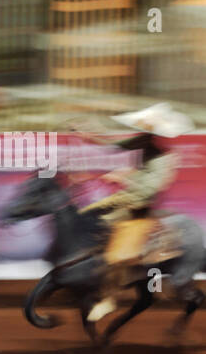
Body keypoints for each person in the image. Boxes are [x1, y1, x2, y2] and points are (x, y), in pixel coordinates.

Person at [82, 102, 193, 321]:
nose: (141, 130)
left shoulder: (165, 157)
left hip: (139, 203)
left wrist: (125, 179)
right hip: (130, 196)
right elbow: (116, 144)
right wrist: (91, 134)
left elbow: (151, 188)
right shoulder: (144, 142)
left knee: (115, 251)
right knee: (89, 217)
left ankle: (109, 299)